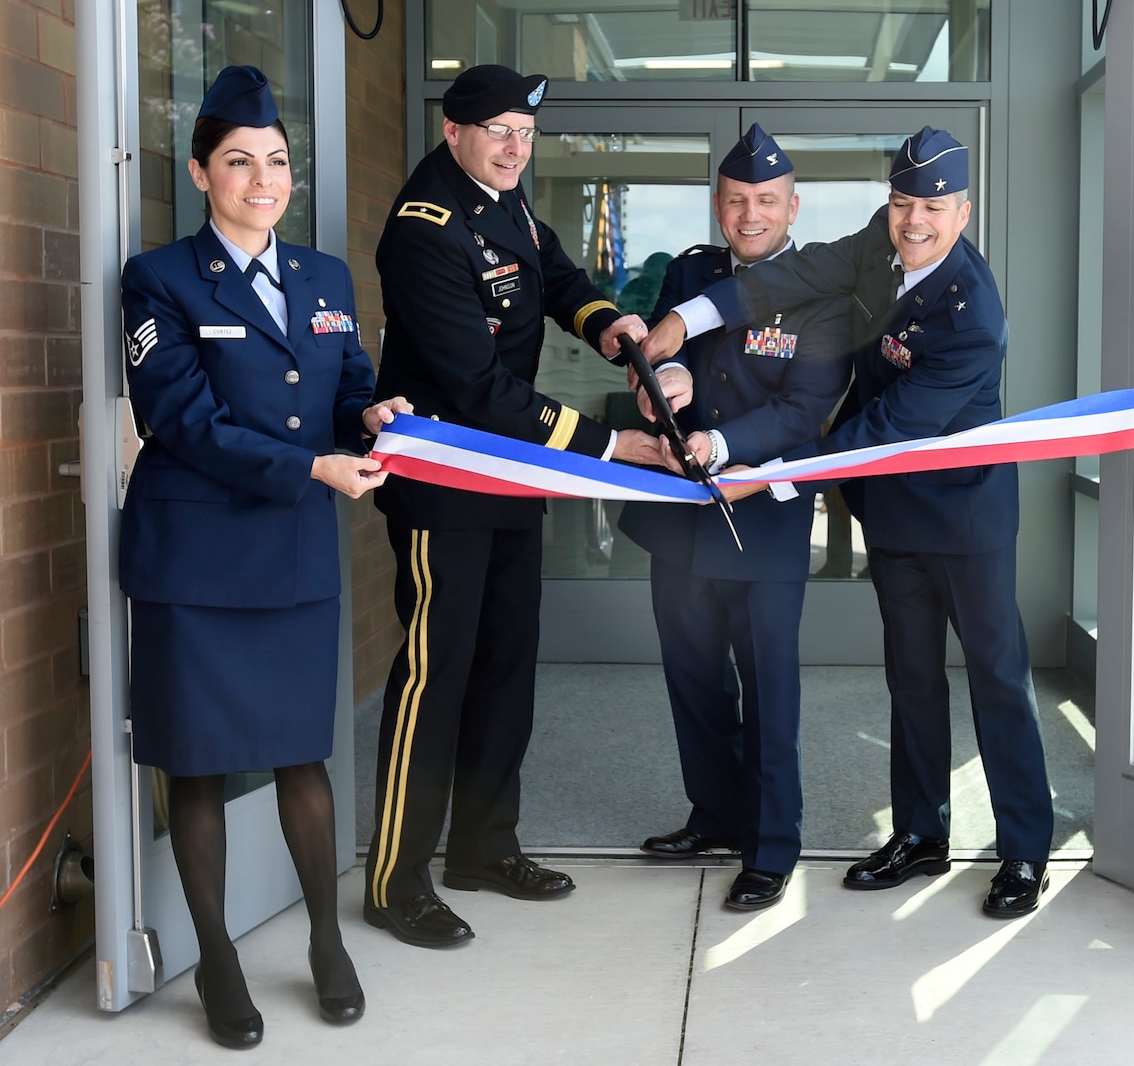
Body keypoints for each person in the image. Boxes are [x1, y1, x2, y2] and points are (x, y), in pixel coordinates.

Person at [641, 127, 1056, 919]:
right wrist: (686, 320)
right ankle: (920, 835)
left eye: (933, 207)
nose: (914, 222)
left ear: (963, 210)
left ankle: (1024, 851)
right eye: (902, 204)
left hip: (964, 515)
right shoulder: (877, 240)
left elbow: (889, 425)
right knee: (911, 680)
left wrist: (775, 473)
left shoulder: (975, 315)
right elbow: (791, 273)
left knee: (999, 682)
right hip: (891, 510)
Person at [119, 65, 408, 1048]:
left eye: (276, 161)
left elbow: (348, 385)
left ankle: (327, 941)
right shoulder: (157, 279)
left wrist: (374, 416)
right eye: (238, 162)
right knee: (196, 769)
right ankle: (217, 959)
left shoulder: (323, 277)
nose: (262, 179)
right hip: (195, 561)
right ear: (202, 172)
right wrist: (316, 464)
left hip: (290, 557)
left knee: (302, 755)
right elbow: (180, 418)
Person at [363, 65, 659, 949]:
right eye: (498, 131)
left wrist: (608, 322)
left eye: (525, 135)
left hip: (508, 482)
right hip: (447, 482)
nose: (514, 148)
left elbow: (560, 279)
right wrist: (606, 446)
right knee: (433, 681)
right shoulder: (427, 225)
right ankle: (396, 879)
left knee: (504, 670)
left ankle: (484, 849)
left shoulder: (509, 204)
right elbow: (480, 389)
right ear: (453, 132)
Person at [618, 125, 851, 910]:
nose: (750, 215)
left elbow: (805, 410)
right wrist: (662, 376)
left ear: (792, 207)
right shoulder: (690, 271)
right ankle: (714, 815)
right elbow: (653, 357)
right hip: (679, 518)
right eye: (736, 200)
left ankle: (772, 844)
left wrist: (719, 442)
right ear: (719, 205)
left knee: (769, 688)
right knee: (692, 679)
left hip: (762, 521)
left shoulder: (824, 292)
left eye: (765, 201)